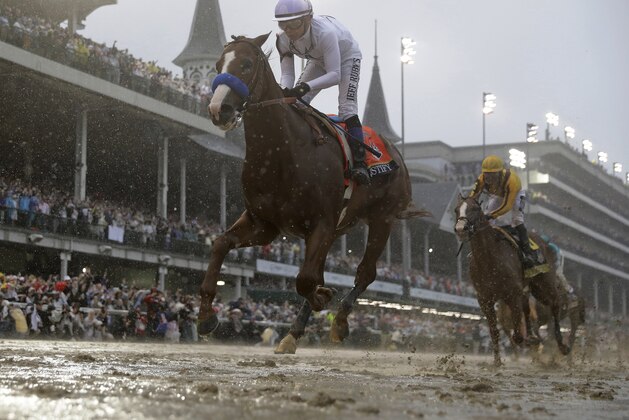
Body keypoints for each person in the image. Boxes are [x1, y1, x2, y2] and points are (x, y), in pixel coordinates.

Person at [274, 0, 370, 185]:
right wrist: (284, 90)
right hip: (318, 59)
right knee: (296, 103)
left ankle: (360, 164)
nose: (289, 30)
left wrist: (304, 87)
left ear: (308, 18)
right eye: (282, 24)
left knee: (347, 109)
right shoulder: (282, 38)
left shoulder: (325, 33)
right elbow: (287, 74)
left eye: (294, 24)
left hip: (347, 58)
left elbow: (335, 75)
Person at [468, 155, 536, 267]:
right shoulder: (481, 179)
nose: (488, 177)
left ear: (500, 172)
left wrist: (492, 215)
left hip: (516, 195)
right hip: (498, 195)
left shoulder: (511, 180)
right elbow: (472, 197)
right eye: (486, 173)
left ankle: (527, 253)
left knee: (517, 220)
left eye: (492, 174)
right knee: (485, 220)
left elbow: (507, 205)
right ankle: (482, 248)